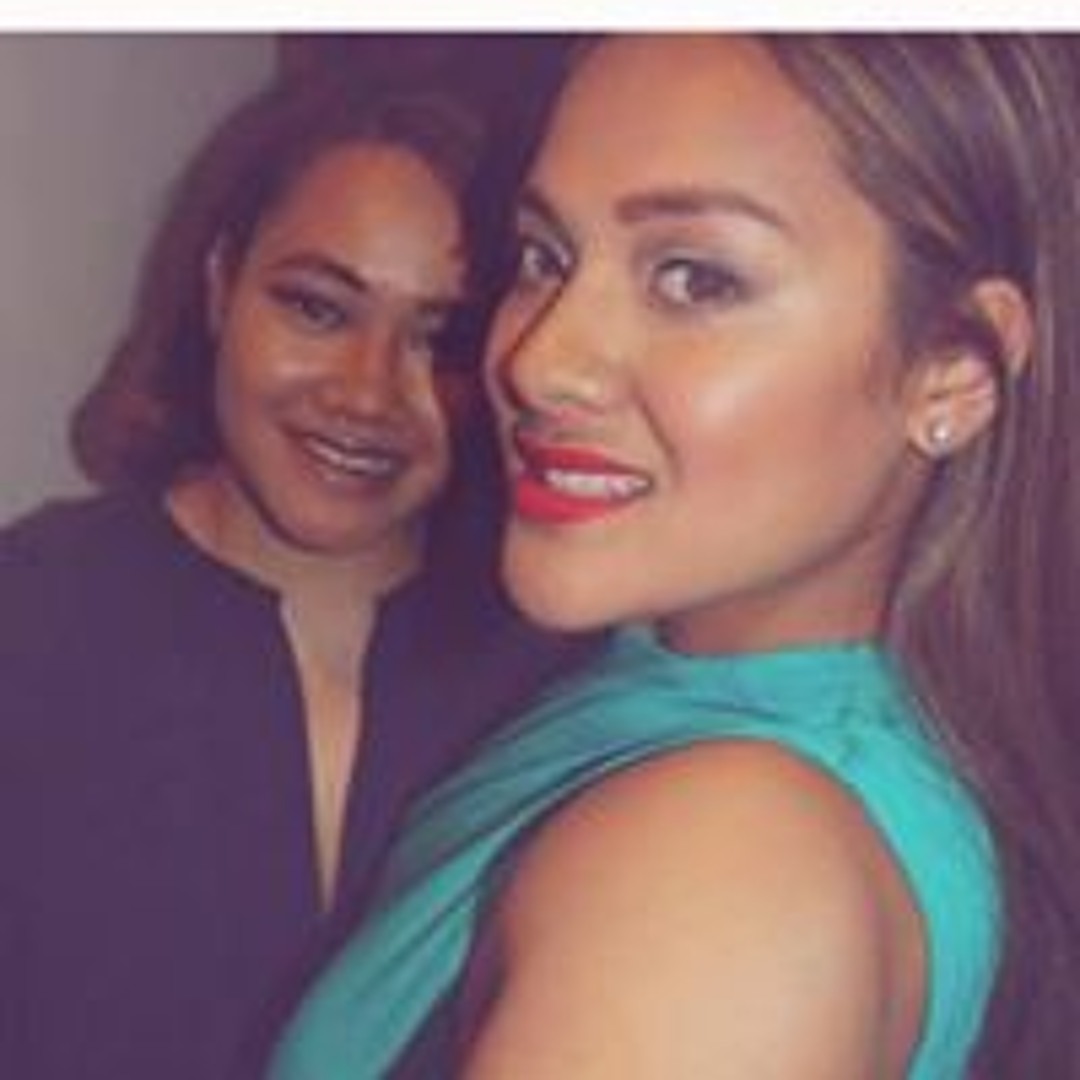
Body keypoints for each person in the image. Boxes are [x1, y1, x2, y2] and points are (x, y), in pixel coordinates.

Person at [266, 33, 1080, 1079]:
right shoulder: (691, 680)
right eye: (545, 256)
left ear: (952, 373)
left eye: (695, 278)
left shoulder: (726, 873)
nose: (539, 361)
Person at [0, 67, 599, 1080]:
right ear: (219, 285)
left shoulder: (559, 679)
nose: (367, 393)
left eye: (441, 340)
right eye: (318, 309)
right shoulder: (30, 622)